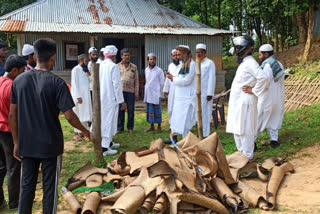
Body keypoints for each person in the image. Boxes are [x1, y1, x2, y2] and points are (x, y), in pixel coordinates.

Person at [9, 38, 90, 214]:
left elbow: (12, 115)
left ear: (35, 56)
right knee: (49, 188)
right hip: (50, 146)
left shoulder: (19, 81)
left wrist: (16, 142)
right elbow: (70, 116)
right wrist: (86, 131)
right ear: (53, 58)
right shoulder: (58, 83)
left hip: (26, 144)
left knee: (27, 186)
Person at [226, 36, 267, 159]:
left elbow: (263, 77)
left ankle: (248, 157)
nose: (235, 51)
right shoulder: (245, 63)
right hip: (239, 102)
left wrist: (253, 90)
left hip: (246, 101)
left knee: (246, 129)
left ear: (242, 49)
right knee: (238, 129)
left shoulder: (250, 63)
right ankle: (241, 156)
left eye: (237, 48)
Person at [243, 44, 285, 148]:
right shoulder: (279, 64)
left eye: (260, 54)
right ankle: (274, 140)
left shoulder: (267, 65)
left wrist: (252, 90)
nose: (259, 57)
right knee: (275, 117)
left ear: (266, 54)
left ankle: (252, 142)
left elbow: (264, 83)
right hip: (278, 97)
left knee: (258, 119)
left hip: (267, 98)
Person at [0, 55, 26, 211]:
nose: (24, 74)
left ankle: (0, 201)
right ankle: (14, 202)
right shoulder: (12, 87)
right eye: (22, 71)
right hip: (8, 131)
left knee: (1, 167)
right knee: (13, 168)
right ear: (15, 70)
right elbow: (14, 115)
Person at [100, 45, 126, 156]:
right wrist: (121, 101)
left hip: (102, 97)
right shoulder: (113, 66)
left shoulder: (100, 65)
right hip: (110, 98)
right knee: (108, 121)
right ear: (114, 55)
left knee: (106, 120)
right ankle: (104, 148)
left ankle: (109, 142)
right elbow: (117, 85)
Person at [166, 45, 197, 141]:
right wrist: (172, 78)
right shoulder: (184, 64)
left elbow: (187, 80)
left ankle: (186, 142)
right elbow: (181, 78)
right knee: (177, 120)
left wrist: (173, 78)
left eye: (179, 55)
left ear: (185, 53)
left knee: (185, 122)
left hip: (187, 98)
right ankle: (176, 139)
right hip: (180, 98)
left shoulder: (191, 64)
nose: (178, 57)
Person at [195, 43, 216, 138]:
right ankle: (200, 131)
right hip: (197, 93)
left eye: (200, 52)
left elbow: (212, 78)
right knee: (198, 113)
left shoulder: (209, 63)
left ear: (204, 52)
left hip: (206, 93)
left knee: (206, 113)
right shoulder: (195, 63)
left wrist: (210, 93)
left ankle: (206, 133)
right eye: (196, 52)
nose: (198, 54)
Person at [71, 54, 92, 141]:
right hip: (79, 96)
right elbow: (74, 84)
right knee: (78, 114)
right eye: (86, 61)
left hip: (86, 96)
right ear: (81, 61)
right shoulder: (75, 69)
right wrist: (78, 96)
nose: (87, 63)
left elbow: (90, 80)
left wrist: (88, 73)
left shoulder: (85, 69)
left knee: (84, 114)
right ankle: (76, 134)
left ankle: (82, 132)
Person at [117, 48, 139, 134]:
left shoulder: (134, 67)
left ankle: (130, 127)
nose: (127, 57)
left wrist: (136, 93)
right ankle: (120, 128)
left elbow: (136, 81)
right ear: (121, 56)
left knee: (131, 110)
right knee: (120, 110)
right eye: (125, 55)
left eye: (128, 55)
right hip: (120, 91)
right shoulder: (117, 66)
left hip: (130, 92)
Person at [144, 53, 165, 133]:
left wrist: (155, 88)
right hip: (148, 93)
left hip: (156, 94)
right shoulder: (146, 70)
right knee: (150, 110)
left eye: (153, 59)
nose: (152, 61)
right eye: (150, 59)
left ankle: (159, 127)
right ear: (148, 60)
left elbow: (161, 82)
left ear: (155, 60)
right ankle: (151, 126)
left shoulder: (159, 70)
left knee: (157, 110)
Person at [163, 49, 181, 129]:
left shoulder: (183, 65)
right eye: (174, 56)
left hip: (180, 90)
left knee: (179, 108)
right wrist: (166, 90)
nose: (176, 57)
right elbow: (167, 78)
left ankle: (179, 124)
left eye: (177, 55)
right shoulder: (170, 66)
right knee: (171, 108)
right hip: (172, 90)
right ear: (172, 56)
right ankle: (171, 125)